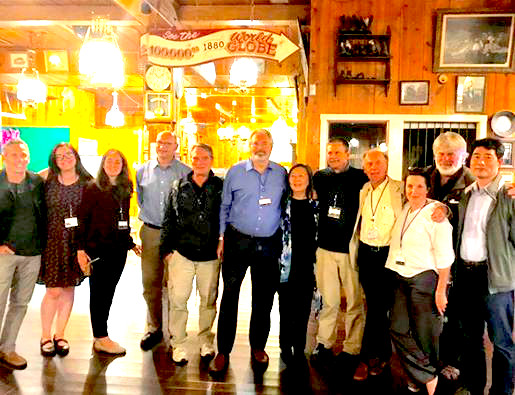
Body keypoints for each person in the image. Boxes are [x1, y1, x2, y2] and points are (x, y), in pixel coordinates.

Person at [209, 129, 287, 375]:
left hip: (268, 244)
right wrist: (221, 238)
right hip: (237, 241)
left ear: (271, 147)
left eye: (264, 143)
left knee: (263, 299)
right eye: (255, 143)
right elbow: (224, 206)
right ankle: (223, 351)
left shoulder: (282, 173)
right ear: (249, 146)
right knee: (230, 296)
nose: (259, 147)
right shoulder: (235, 172)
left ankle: (258, 347)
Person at [385, 168, 454, 395]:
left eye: (419, 187)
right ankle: (427, 375)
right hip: (400, 277)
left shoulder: (435, 213)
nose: (413, 191)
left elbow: (445, 257)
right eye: (410, 186)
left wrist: (440, 290)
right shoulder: (406, 208)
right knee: (398, 328)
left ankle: (423, 380)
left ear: (428, 189)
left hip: (424, 279)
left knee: (425, 333)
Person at [454, 138, 514, 395]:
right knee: (470, 338)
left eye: (488, 157)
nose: (481, 162)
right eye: (476, 156)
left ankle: (502, 390)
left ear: (499, 162)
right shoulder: (467, 194)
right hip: (467, 276)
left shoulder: (509, 195)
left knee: (501, 342)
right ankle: (472, 386)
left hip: (496, 279)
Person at [160, 144, 223, 365]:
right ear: (191, 160)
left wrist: (223, 242)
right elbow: (168, 219)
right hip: (182, 254)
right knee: (178, 300)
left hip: (209, 256)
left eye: (204, 158)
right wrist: (166, 251)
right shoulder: (178, 186)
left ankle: (206, 341)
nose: (200, 162)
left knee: (208, 301)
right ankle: (178, 344)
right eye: (196, 158)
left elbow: (225, 219)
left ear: (211, 160)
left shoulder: (220, 187)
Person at [310, 137, 368, 371]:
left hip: (350, 248)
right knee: (329, 300)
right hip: (324, 247)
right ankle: (324, 343)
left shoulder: (360, 178)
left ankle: (352, 347)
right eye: (329, 152)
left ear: (347, 154)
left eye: (337, 152)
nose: (332, 156)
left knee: (354, 300)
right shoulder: (319, 177)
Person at [77, 149, 141, 355]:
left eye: (118, 162)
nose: (113, 165)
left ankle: (101, 334)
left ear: (123, 166)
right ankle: (101, 336)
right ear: (103, 164)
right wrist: (80, 249)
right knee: (98, 294)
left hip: (118, 251)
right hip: (97, 251)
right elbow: (82, 220)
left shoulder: (125, 188)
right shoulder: (92, 188)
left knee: (109, 293)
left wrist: (130, 243)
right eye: (109, 161)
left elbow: (122, 221)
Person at [349, 149, 403, 380]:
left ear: (387, 165)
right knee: (375, 307)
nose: (373, 167)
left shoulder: (400, 189)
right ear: (364, 168)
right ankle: (380, 356)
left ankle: (368, 357)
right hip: (366, 254)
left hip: (387, 256)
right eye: (369, 163)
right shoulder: (364, 189)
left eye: (378, 163)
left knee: (379, 308)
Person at [136, 131, 190, 351]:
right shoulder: (141, 171)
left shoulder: (185, 172)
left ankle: (174, 330)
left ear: (176, 146)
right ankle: (154, 327)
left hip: (176, 234)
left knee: (175, 285)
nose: (163, 146)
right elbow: (140, 199)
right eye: (160, 142)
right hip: (150, 232)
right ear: (155, 144)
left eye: (168, 143)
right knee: (150, 283)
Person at [39, 143, 92, 357]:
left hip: (76, 243)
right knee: (53, 290)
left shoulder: (88, 183)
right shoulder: (46, 178)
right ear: (54, 160)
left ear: (76, 157)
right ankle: (45, 336)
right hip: (51, 242)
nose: (65, 158)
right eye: (59, 156)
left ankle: (60, 334)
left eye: (68, 154)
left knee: (69, 288)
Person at [0, 139, 45, 370]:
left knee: (20, 303)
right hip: (3, 254)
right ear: (4, 157)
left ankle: (7, 349)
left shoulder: (36, 181)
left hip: (32, 253)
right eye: (14, 155)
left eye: (23, 154)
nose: (20, 159)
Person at [278, 164, 318, 366]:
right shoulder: (282, 204)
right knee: (286, 309)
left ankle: (299, 348)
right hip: (285, 265)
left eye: (302, 176)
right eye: (294, 176)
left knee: (303, 310)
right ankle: (285, 346)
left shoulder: (316, 205)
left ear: (309, 179)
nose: (297, 179)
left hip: (308, 265)